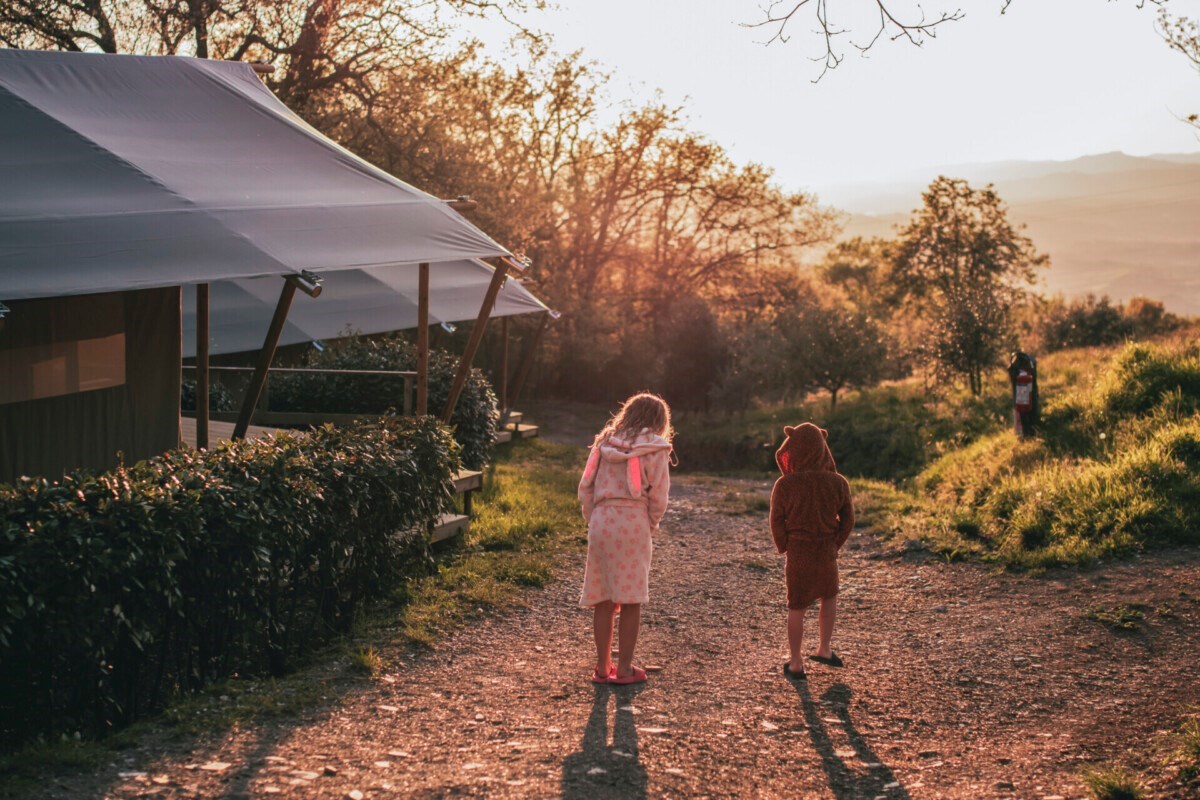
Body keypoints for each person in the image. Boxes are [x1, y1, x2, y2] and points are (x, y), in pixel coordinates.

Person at [578, 392, 674, 685]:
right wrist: (651, 523)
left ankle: (602, 667)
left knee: (603, 598)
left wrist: (593, 517)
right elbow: (659, 495)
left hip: (602, 520)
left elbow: (586, 486)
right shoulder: (653, 448)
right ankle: (625, 669)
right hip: (633, 521)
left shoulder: (604, 443)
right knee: (631, 599)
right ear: (659, 422)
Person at [769, 422, 854, 681]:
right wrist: (835, 543)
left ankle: (796, 663)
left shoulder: (785, 485)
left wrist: (783, 545)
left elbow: (776, 520)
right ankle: (824, 648)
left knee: (797, 606)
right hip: (826, 551)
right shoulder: (837, 482)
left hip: (798, 553)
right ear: (822, 447)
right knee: (828, 598)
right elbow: (848, 519)